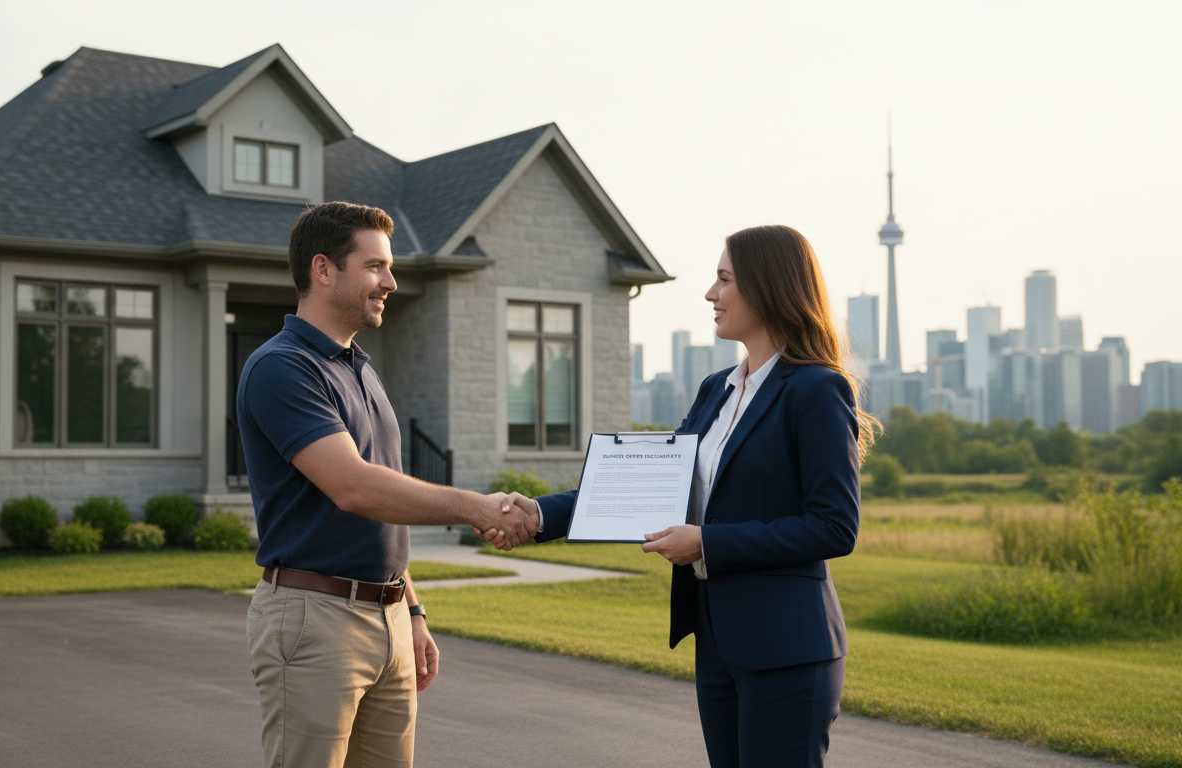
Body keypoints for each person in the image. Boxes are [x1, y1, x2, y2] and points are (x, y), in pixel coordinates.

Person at [494, 225, 877, 767]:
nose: (710, 294)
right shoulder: (715, 389)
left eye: (724, 280)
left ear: (767, 287)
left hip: (787, 649)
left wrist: (707, 543)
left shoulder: (816, 388)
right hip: (718, 640)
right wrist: (537, 514)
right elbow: (646, 486)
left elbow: (834, 527)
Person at [237, 201, 538, 768]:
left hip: (389, 617)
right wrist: (479, 506)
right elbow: (355, 487)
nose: (391, 282)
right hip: (315, 619)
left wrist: (412, 610)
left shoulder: (360, 368)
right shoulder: (282, 368)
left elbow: (383, 503)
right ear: (323, 269)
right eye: (375, 266)